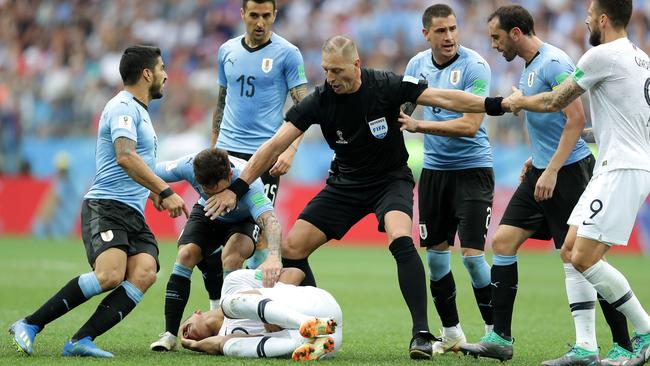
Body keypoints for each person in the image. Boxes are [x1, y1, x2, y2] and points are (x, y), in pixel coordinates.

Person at [202, 35, 504, 359]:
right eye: (327, 71)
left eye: (338, 72)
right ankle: (313, 319)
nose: (332, 79)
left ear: (356, 65)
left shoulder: (385, 85)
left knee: (401, 238)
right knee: (292, 247)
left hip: (390, 180)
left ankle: (421, 334)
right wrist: (238, 188)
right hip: (345, 184)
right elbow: (274, 145)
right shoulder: (320, 99)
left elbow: (442, 98)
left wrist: (495, 105)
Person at [457, 5, 634, 365]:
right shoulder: (530, 66)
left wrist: (552, 169)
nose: (493, 44)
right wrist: (536, 158)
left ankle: (625, 343)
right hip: (541, 168)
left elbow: (575, 118)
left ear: (516, 33)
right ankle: (500, 339)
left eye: (496, 37)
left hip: (567, 172)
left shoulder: (554, 62)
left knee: (585, 259)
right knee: (504, 241)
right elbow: (547, 124)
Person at [9, 45, 188, 358]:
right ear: (147, 74)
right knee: (110, 275)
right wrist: (164, 190)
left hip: (133, 211)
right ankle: (30, 323)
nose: (166, 75)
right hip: (105, 206)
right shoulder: (122, 107)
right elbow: (125, 156)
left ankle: (82, 339)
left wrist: (152, 190)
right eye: (161, 68)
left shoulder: (141, 113)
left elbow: (138, 162)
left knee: (145, 272)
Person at [500, 1, 650, 365]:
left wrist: (518, 101)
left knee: (583, 256)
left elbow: (555, 101)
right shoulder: (639, 57)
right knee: (570, 250)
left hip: (621, 170)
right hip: (616, 165)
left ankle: (644, 329)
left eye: (588, 16)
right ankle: (586, 347)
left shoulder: (599, 56)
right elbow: (619, 121)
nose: (584, 21)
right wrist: (555, 147)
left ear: (602, 19)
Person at [398, 4, 494, 354]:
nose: (449, 36)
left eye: (453, 28)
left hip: (472, 171)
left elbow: (471, 126)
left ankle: (494, 332)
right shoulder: (416, 65)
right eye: (441, 31)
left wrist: (420, 126)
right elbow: (402, 112)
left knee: (471, 258)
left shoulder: (475, 66)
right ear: (426, 34)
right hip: (435, 173)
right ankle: (451, 333)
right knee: (437, 259)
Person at [210, 0, 309, 277]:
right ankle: (226, 307)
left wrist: (290, 149)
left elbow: (304, 108)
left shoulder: (288, 54)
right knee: (215, 237)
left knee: (261, 233)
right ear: (242, 14)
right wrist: (213, 149)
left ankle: (256, 303)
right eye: (254, 15)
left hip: (265, 155)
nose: (260, 22)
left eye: (267, 16)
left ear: (275, 15)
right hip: (226, 154)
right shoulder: (226, 50)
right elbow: (221, 103)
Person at [149, 147, 282, 352]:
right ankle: (169, 335)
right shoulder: (188, 165)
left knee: (231, 256)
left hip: (242, 221)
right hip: (207, 212)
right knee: (186, 254)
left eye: (219, 191)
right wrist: (157, 190)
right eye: (206, 188)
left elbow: (270, 220)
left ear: (230, 175)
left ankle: (228, 325)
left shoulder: (252, 186)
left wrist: (274, 257)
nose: (214, 193)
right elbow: (146, 170)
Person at [179, 268, 342, 360]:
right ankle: (305, 342)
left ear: (197, 313)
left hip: (315, 305)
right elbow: (219, 344)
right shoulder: (225, 337)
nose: (185, 335)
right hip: (329, 341)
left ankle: (306, 323)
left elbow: (295, 272)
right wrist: (195, 345)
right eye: (185, 337)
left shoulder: (232, 283)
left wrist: (269, 310)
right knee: (230, 346)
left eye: (184, 328)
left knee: (229, 303)